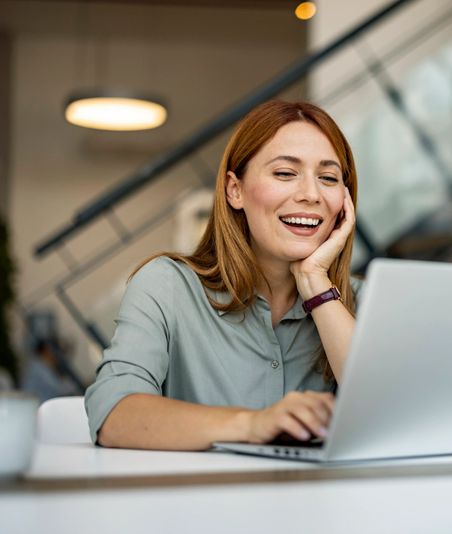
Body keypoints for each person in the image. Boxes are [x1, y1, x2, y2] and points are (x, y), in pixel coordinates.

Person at [85, 101, 359, 451]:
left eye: (329, 178)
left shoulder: (358, 302)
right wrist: (252, 424)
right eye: (285, 173)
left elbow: (392, 422)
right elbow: (112, 414)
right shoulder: (166, 286)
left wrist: (317, 284)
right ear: (235, 190)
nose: (310, 194)